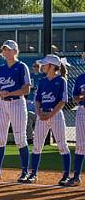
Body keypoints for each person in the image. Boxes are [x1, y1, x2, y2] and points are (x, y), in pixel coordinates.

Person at [0, 39, 32, 181]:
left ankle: (25, 171)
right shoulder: (0, 68)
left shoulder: (21, 67)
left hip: (17, 103)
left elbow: (26, 89)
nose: (6, 52)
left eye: (9, 49)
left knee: (20, 138)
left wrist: (9, 93)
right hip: (1, 103)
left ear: (15, 51)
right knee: (0, 138)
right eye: (4, 49)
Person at [27, 54, 71, 185]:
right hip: (42, 115)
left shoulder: (61, 80)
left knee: (62, 146)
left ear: (52, 66)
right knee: (37, 146)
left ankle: (66, 175)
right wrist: (40, 112)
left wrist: (50, 114)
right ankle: (33, 174)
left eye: (45, 64)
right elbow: (38, 100)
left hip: (56, 115)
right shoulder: (43, 81)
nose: (42, 66)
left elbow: (62, 101)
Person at [70, 55, 85, 187]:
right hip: (82, 110)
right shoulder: (80, 78)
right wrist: (81, 97)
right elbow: (75, 98)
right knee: (80, 144)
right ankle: (76, 177)